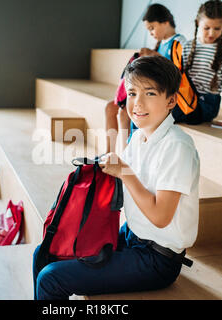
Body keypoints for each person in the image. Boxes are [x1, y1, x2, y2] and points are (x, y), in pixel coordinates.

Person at [32, 56, 199, 300]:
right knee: (44, 253)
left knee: (51, 277)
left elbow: (161, 216)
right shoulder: (141, 136)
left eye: (149, 93)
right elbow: (122, 172)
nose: (137, 103)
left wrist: (125, 172)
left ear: (171, 100)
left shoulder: (178, 146)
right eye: (132, 93)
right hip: (131, 236)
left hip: (156, 259)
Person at [105, 3, 187, 153]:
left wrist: (154, 56)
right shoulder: (161, 44)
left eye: (152, 28)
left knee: (127, 111)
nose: (151, 33)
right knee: (111, 107)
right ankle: (110, 154)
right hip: (149, 91)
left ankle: (127, 156)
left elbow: (179, 75)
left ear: (165, 22)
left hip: (169, 97)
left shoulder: (179, 42)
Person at [174, 0, 222, 124]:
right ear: (198, 23)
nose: (211, 33)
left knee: (167, 115)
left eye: (217, 28)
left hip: (208, 103)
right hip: (186, 98)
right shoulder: (186, 46)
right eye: (206, 28)